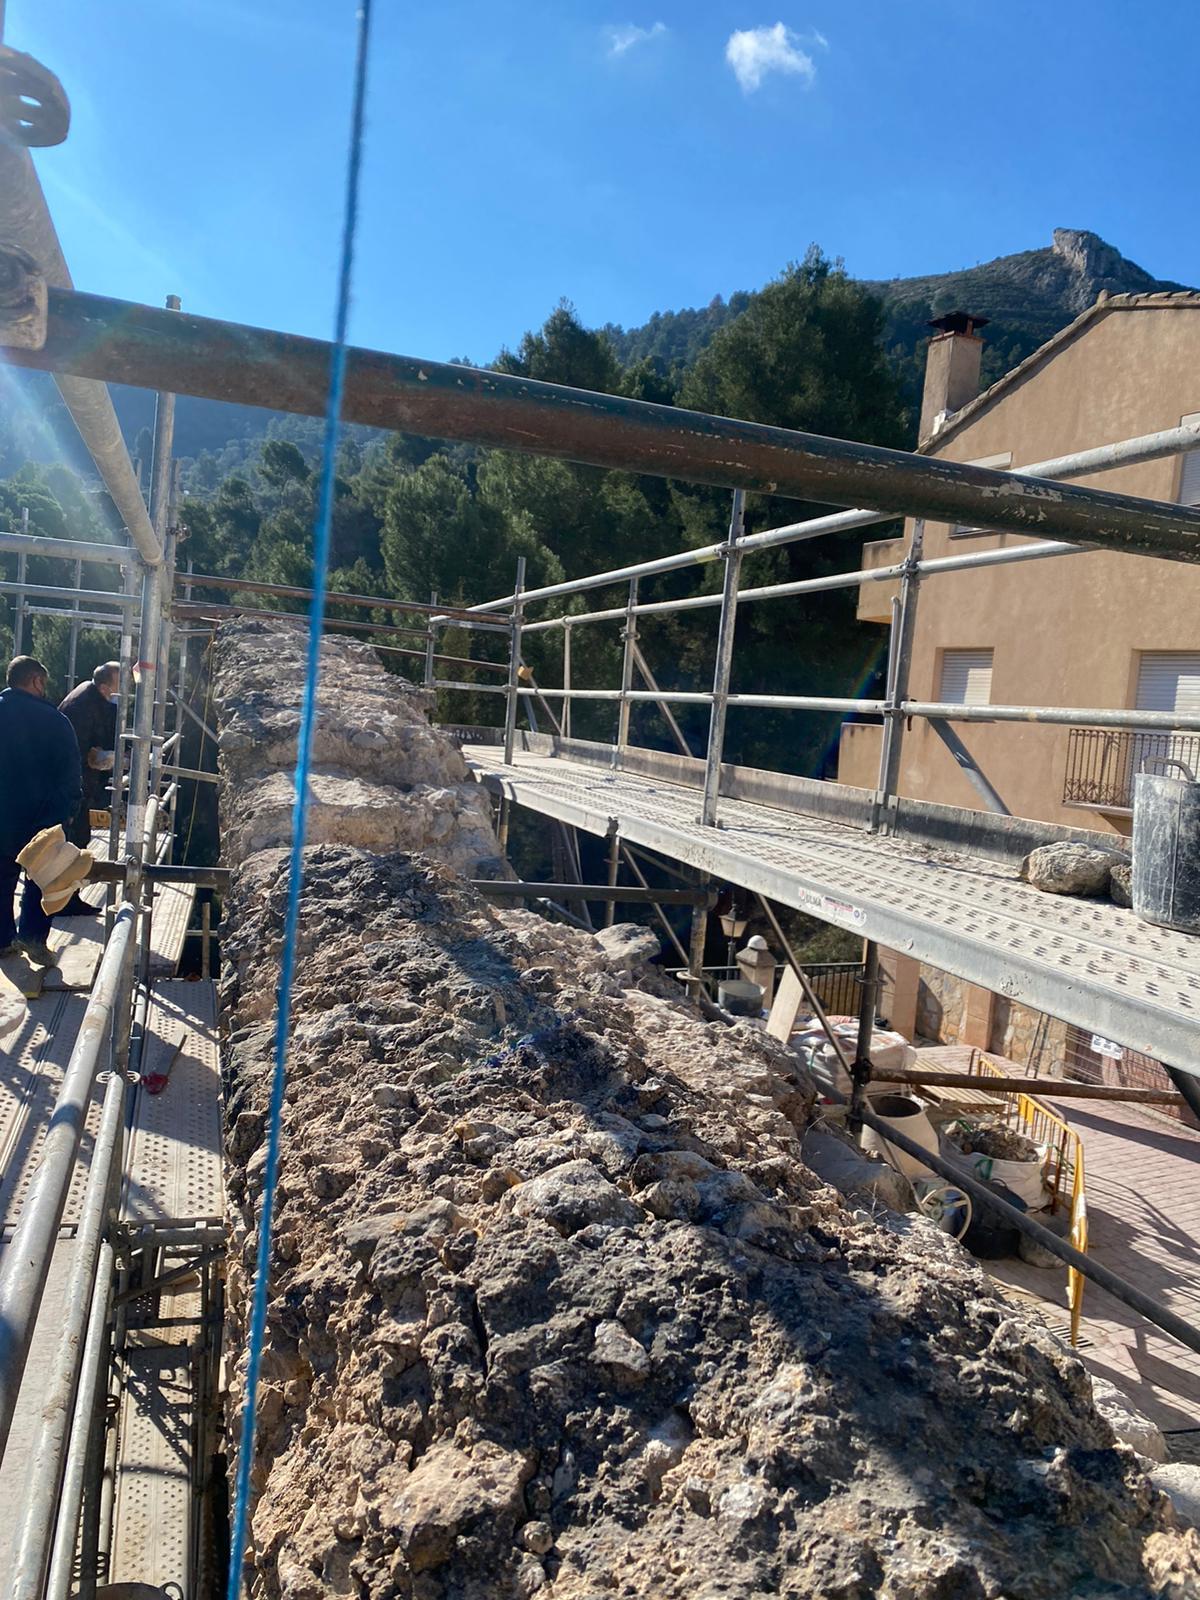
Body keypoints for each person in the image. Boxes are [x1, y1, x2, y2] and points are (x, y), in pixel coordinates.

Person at [0, 655, 82, 967]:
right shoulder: (55, 721)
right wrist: (66, 815)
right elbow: (70, 776)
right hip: (42, 817)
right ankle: (33, 938)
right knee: (41, 878)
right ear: (36, 681)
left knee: (1, 879)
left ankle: (2, 940)